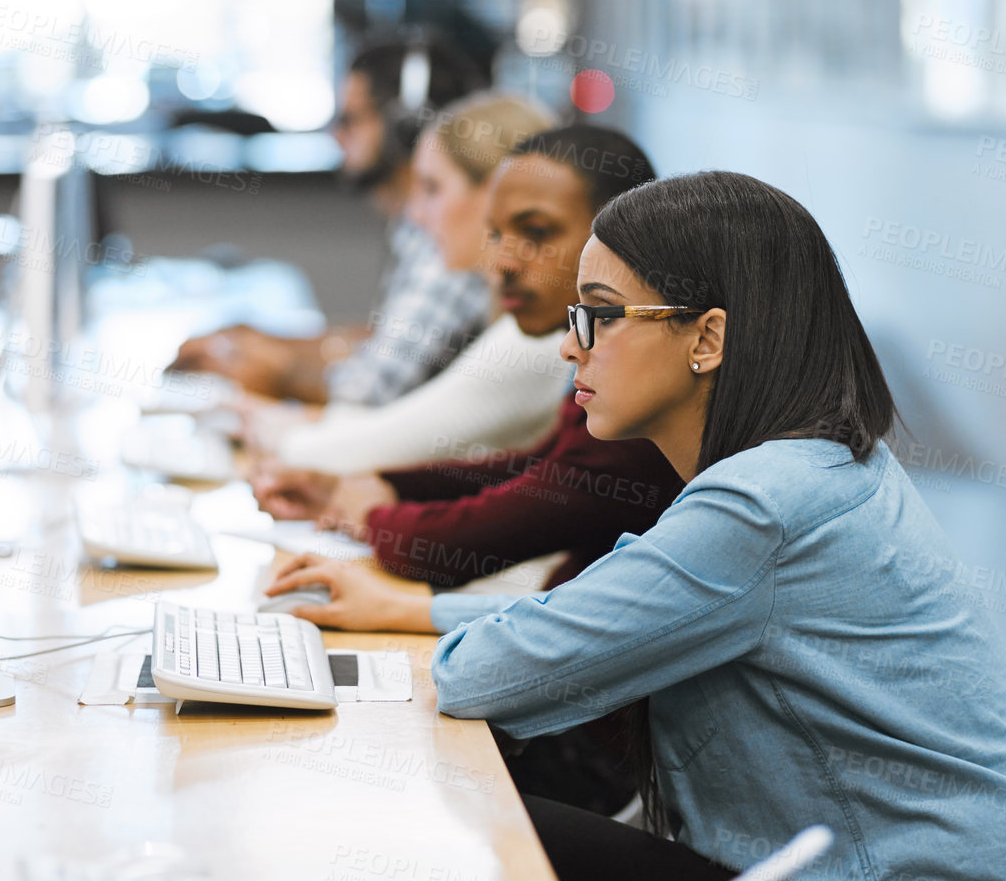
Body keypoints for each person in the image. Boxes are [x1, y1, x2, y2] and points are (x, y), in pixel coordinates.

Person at [398, 171, 1006, 881]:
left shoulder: (761, 506)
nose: (570, 345)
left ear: (707, 338)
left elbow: (482, 675)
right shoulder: (817, 464)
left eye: (599, 315)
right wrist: (422, 613)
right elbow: (580, 622)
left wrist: (420, 625)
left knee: (466, 823)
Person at [256, 126, 685, 814]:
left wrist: (374, 519)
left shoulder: (628, 378)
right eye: (496, 234)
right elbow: (544, 471)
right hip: (563, 680)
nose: (503, 262)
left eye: (536, 231)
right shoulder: (585, 352)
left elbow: (522, 512)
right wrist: (390, 491)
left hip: (592, 733)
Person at [173, 38, 491, 405]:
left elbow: (369, 391)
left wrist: (261, 364)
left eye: (349, 119)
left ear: (405, 127)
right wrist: (264, 341)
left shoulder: (446, 243)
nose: (335, 136)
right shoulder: (418, 229)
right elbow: (383, 341)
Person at [267, 91, 564, 474]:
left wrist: (268, 430)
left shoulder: (537, 337)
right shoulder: (512, 317)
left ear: (498, 193)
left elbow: (374, 447)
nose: (417, 216)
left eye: (432, 189)